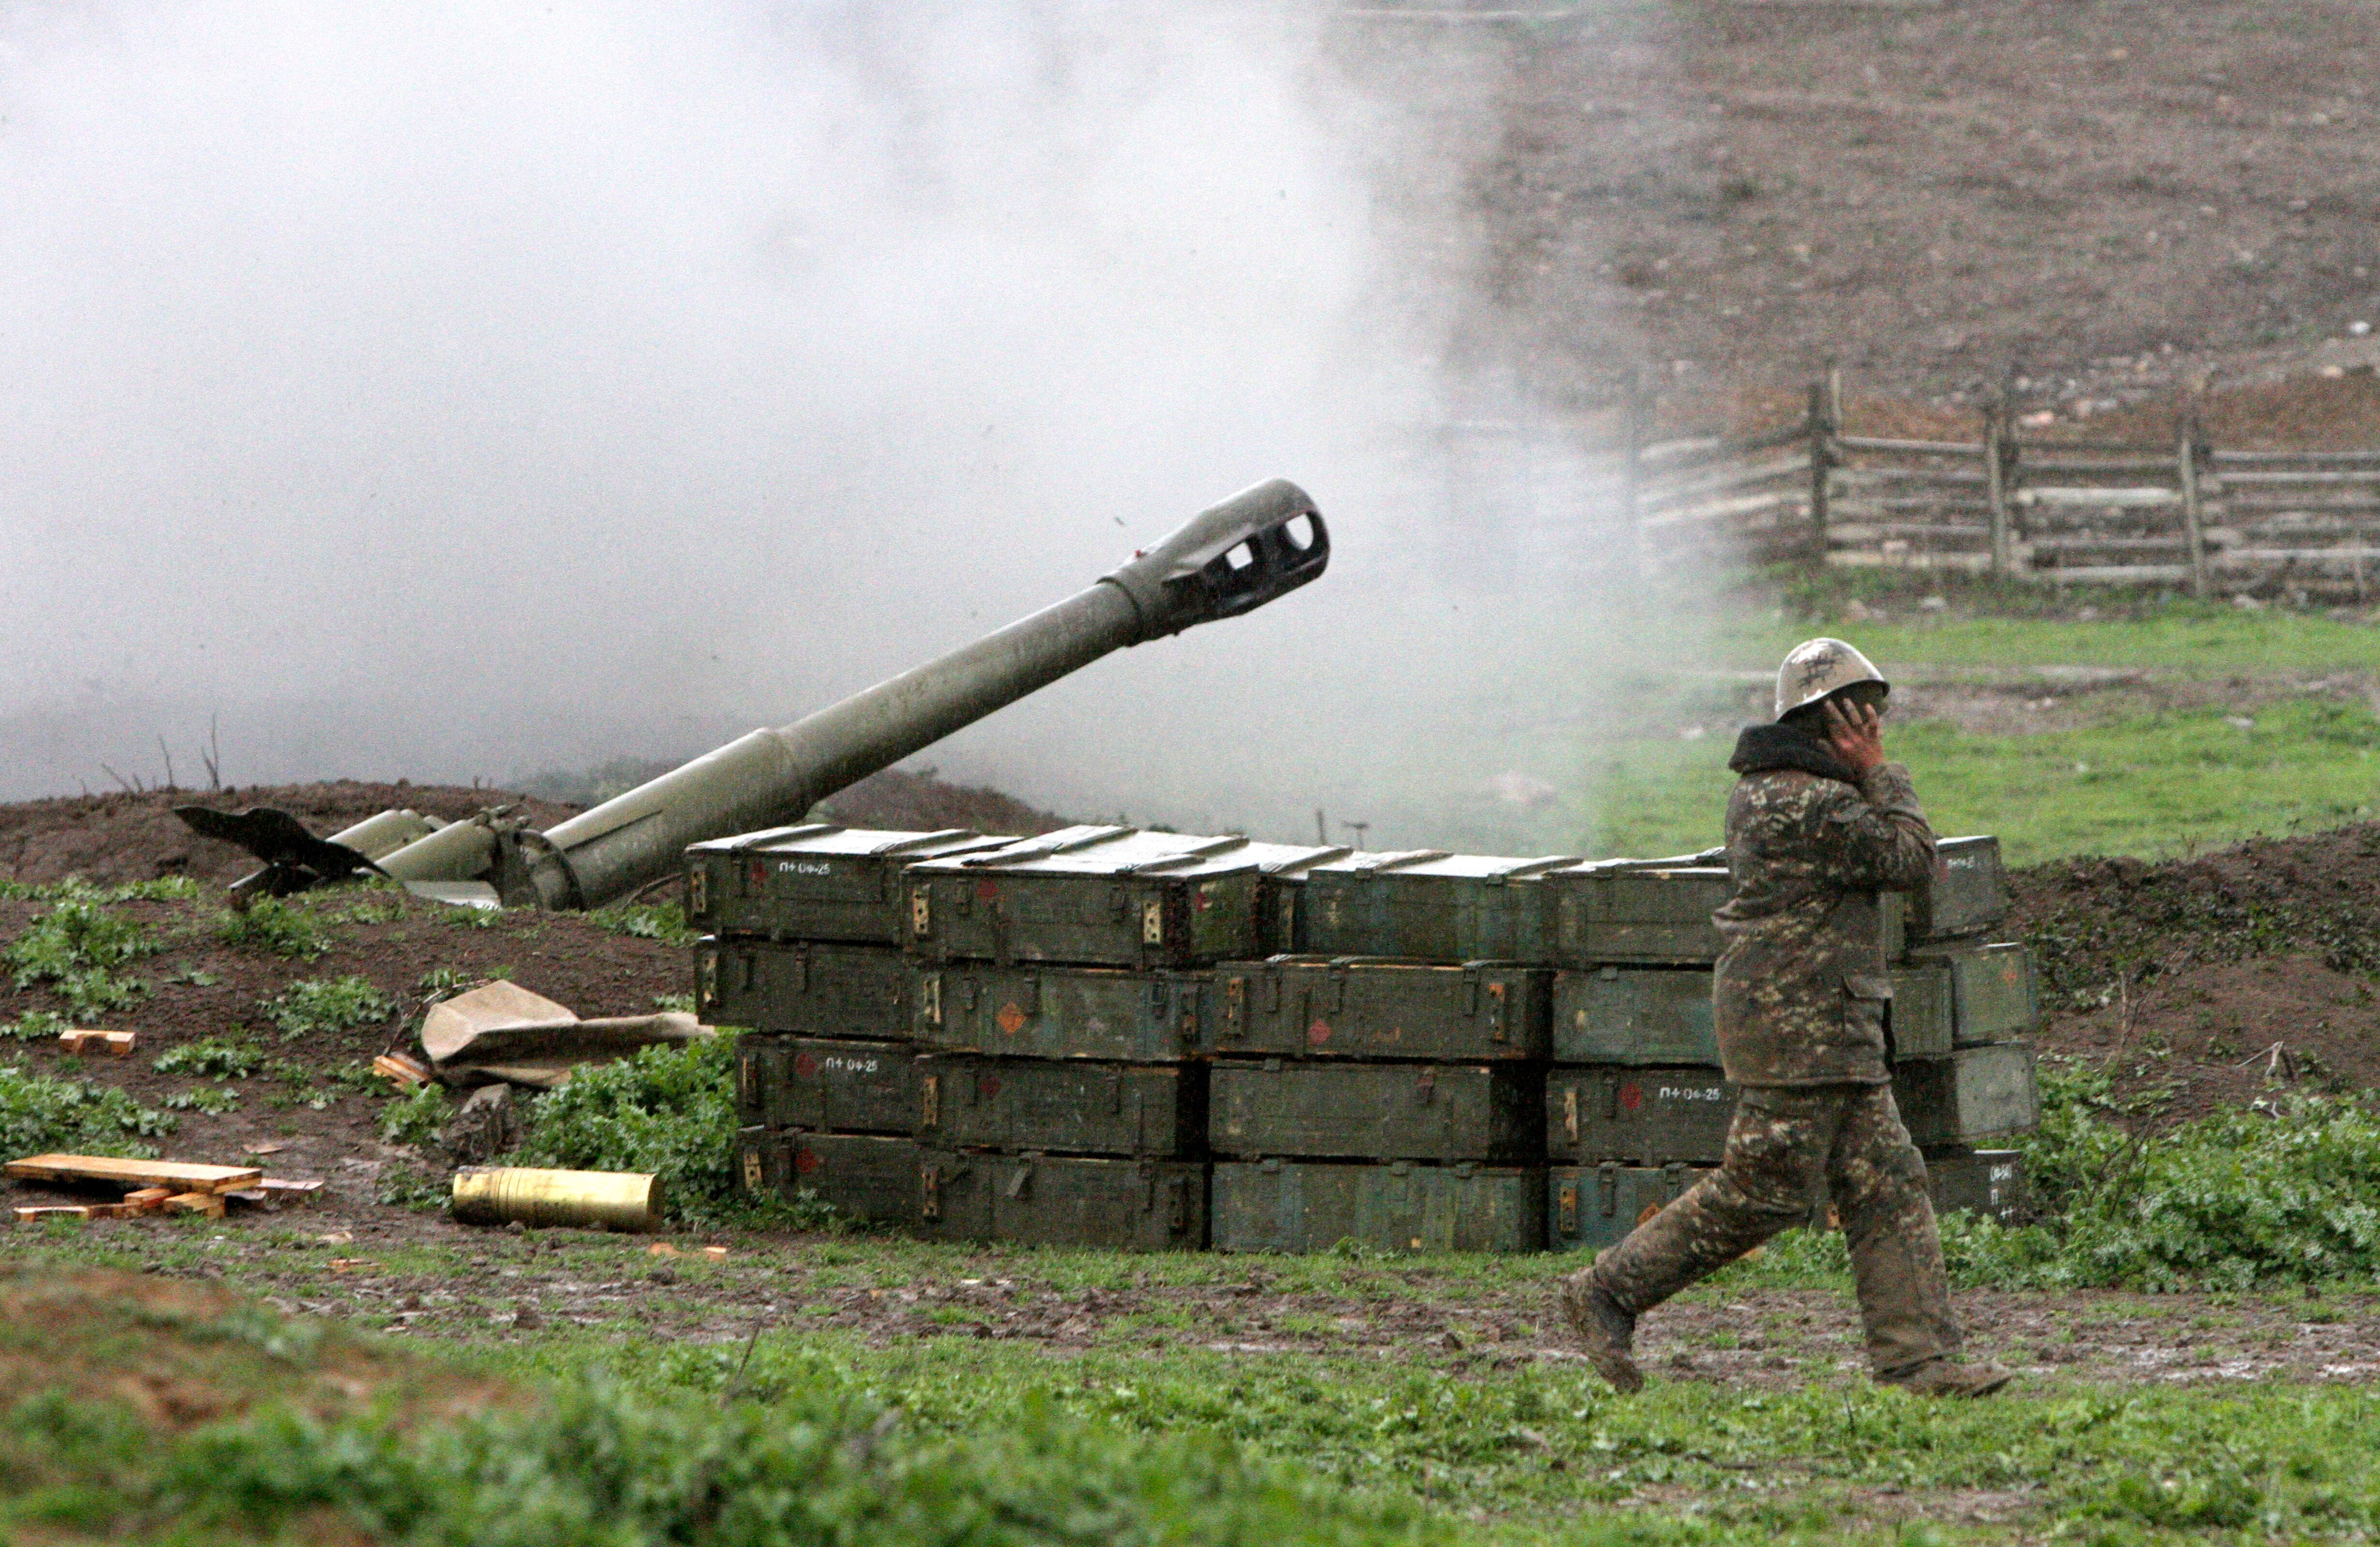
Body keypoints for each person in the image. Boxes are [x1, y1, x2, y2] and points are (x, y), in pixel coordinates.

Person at [1556, 638, 2011, 1399]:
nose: (1874, 725)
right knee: (1762, 1190)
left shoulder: (1775, 789)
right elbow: (1909, 858)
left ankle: (1920, 1366)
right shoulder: (1812, 799)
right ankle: (1607, 1292)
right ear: (1827, 720)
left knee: (1887, 1181)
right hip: (1802, 1026)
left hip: (1823, 1023)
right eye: (1861, 714)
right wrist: (1881, 774)